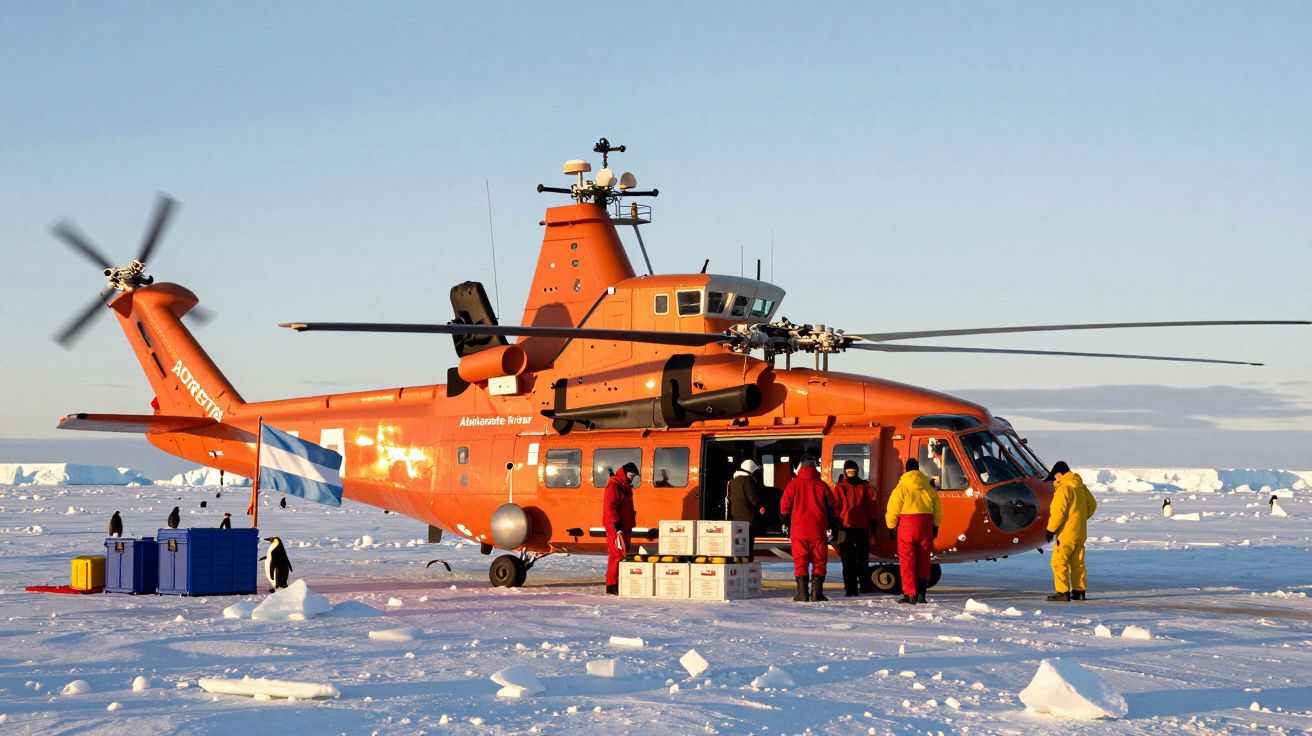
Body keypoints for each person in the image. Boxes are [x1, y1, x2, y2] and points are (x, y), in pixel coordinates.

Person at [885, 459, 942, 604]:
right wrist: (935, 525)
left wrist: (891, 527)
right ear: (918, 469)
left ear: (906, 470)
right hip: (925, 526)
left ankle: (910, 594)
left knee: (907, 561)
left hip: (907, 526)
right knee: (924, 560)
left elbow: (893, 509)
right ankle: (922, 594)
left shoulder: (901, 488)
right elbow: (937, 508)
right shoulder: (928, 487)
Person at [780, 455, 834, 602]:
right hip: (817, 529)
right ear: (815, 467)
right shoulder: (822, 485)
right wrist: (832, 524)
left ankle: (802, 593)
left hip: (798, 530)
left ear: (801, 468)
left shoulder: (793, 485)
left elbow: (784, 505)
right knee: (819, 561)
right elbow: (831, 507)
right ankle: (817, 593)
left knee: (800, 561)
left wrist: (784, 519)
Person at [1044, 461, 1097, 601]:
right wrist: (1079, 518)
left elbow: (1058, 513)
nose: (1055, 480)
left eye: (1055, 477)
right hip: (1080, 533)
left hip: (1066, 534)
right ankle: (1079, 592)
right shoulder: (1080, 486)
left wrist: (1050, 530)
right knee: (1077, 563)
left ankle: (1063, 593)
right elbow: (1092, 505)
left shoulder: (1064, 489)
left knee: (1058, 562)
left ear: (1059, 475)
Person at [832, 460, 875, 596]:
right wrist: (836, 523)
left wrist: (874, 521)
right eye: (849, 472)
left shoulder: (864, 486)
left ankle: (865, 586)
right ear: (845, 472)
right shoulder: (839, 487)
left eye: (854, 472)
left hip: (862, 527)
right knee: (847, 560)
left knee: (863, 559)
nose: (852, 474)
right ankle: (850, 589)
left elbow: (871, 504)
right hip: (846, 527)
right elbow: (835, 505)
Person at [602, 461, 639, 595]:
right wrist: (616, 523)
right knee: (617, 554)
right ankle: (612, 584)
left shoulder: (624, 486)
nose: (632, 478)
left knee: (623, 553)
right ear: (625, 473)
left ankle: (617, 581)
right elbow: (609, 507)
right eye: (632, 475)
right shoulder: (614, 486)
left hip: (624, 525)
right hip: (616, 527)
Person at [727, 459, 765, 557]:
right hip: (747, 516)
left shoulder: (732, 482)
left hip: (735, 516)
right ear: (750, 470)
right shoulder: (748, 480)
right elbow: (752, 495)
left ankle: (738, 557)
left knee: (738, 539)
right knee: (748, 539)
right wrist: (759, 506)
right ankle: (748, 558)